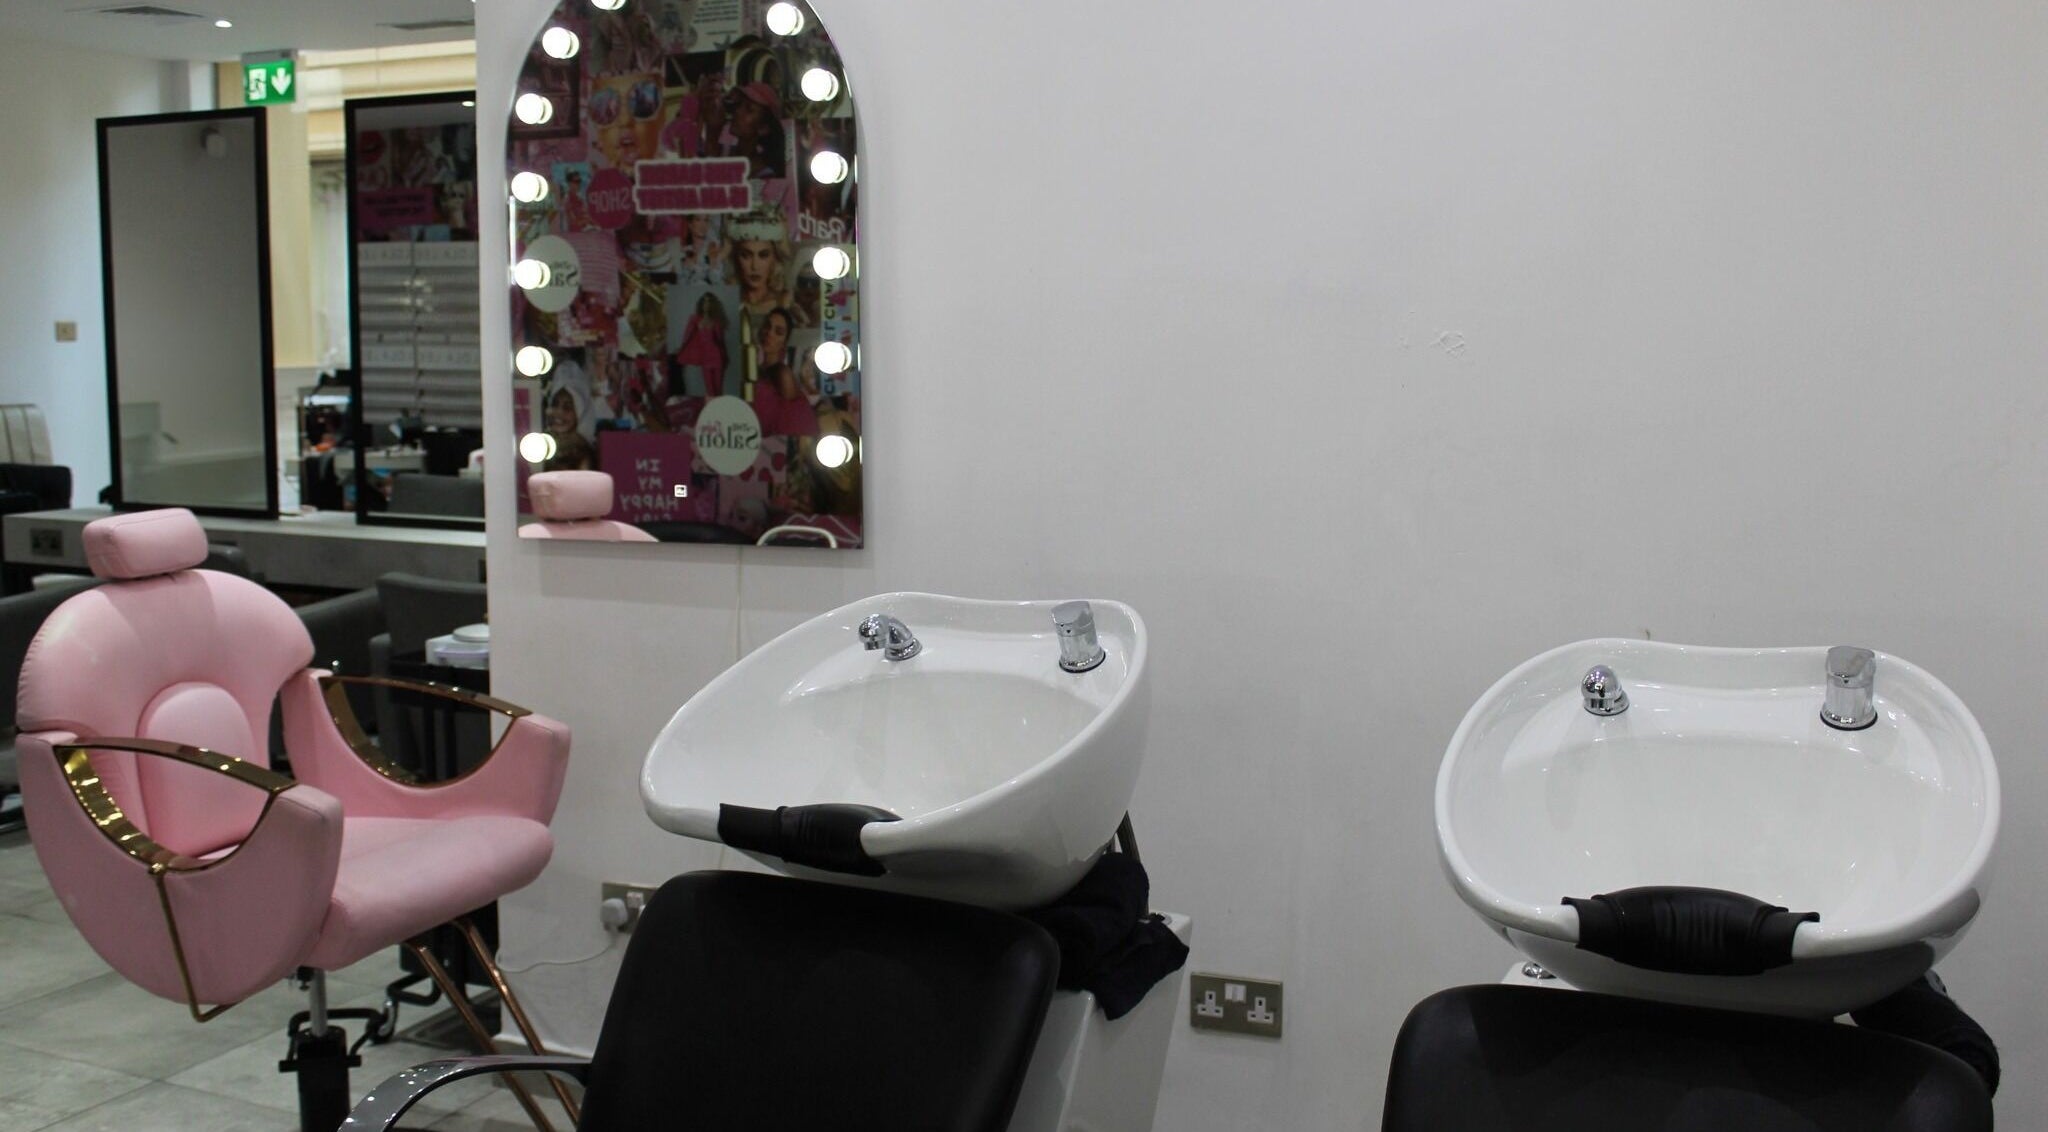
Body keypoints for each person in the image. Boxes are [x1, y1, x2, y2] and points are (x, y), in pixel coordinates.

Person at [748, 308, 819, 436]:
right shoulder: (755, 367)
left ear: (784, 343)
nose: (770, 333)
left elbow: (792, 422)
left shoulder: (782, 373)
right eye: (767, 326)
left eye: (778, 332)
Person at [674, 292, 730, 398]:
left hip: (718, 358)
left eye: (709, 302)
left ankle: (721, 411)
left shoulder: (716, 320)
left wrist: (725, 357)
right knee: (709, 390)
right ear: (701, 304)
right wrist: (681, 349)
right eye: (704, 302)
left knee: (718, 389)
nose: (706, 305)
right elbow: (687, 336)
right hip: (705, 359)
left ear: (712, 304)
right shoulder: (695, 319)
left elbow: (721, 342)